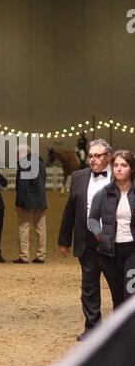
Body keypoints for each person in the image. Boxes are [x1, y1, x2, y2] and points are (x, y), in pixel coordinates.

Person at [58, 139, 123, 341]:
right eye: (90, 156)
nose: (92, 160)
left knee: (118, 286)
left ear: (108, 157)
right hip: (86, 240)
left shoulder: (122, 176)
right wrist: (64, 239)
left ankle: (119, 329)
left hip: (114, 241)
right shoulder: (78, 177)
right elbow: (70, 209)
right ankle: (92, 327)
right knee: (89, 286)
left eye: (97, 156)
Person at [89, 149, 135, 301]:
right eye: (116, 165)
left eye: (124, 165)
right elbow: (93, 218)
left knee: (130, 297)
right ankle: (121, 326)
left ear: (132, 168)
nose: (119, 169)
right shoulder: (103, 193)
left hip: (132, 251)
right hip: (110, 253)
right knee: (118, 299)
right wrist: (99, 234)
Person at [13, 145, 47, 264]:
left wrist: (18, 203)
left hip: (27, 202)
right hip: (41, 200)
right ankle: (41, 255)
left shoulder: (23, 164)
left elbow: (22, 185)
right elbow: (43, 181)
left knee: (23, 228)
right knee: (41, 229)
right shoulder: (40, 163)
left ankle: (24, 256)